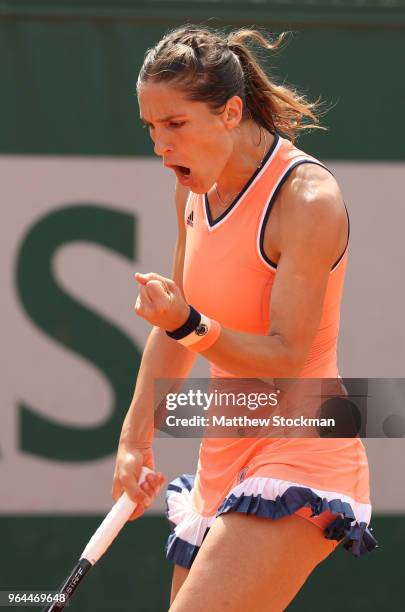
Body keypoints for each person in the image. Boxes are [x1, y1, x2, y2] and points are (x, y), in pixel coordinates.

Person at [112, 26, 377, 611]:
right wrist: (135, 440)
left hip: (304, 444)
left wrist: (188, 322)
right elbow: (175, 327)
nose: (161, 145)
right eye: (151, 128)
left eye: (176, 124)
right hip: (224, 448)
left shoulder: (307, 200)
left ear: (231, 111)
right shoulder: (189, 194)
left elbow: (285, 356)